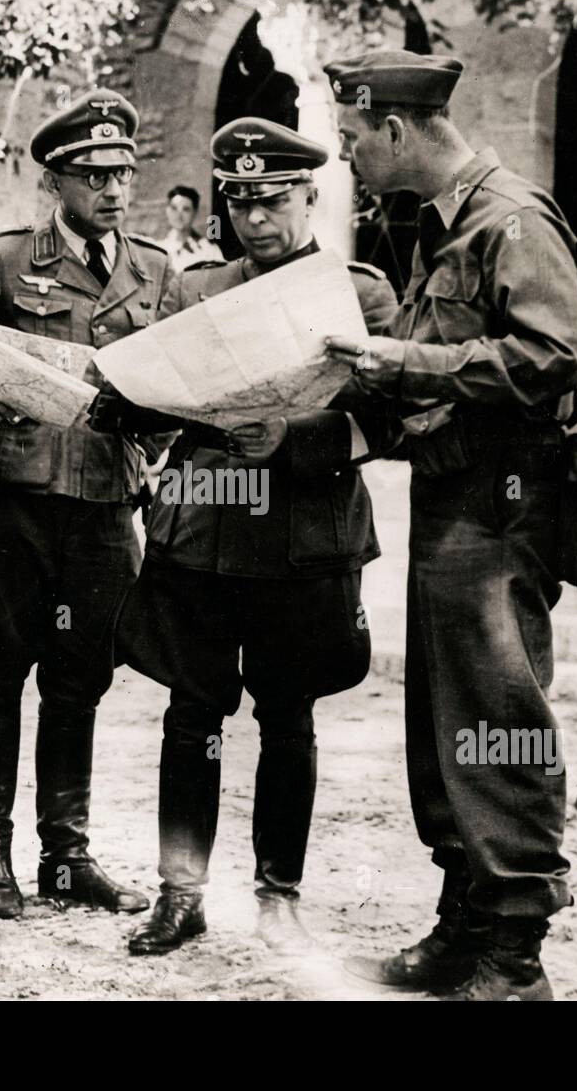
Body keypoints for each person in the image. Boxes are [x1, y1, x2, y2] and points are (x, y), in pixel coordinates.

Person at [90, 117, 400, 956]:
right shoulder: (197, 287)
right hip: (206, 534)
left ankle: (277, 893)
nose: (254, 219)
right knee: (192, 713)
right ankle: (179, 893)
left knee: (288, 713)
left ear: (309, 194)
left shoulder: (359, 292)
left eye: (272, 201)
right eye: (239, 203)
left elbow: (391, 419)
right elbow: (150, 395)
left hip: (303, 537)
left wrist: (293, 438)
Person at [323, 50, 577, 1000]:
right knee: (446, 729)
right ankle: (465, 927)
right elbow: (450, 374)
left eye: (354, 138)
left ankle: (516, 960)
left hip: (503, 513)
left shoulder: (509, 217)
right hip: (453, 509)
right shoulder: (446, 227)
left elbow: (553, 356)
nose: (347, 156)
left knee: (499, 725)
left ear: (396, 130)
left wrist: (400, 363)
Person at [0, 89, 171, 919]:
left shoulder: (156, 270)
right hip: (17, 502)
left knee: (80, 679)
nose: (114, 189)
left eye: (123, 172)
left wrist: (155, 443)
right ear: (55, 181)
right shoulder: (2, 259)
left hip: (104, 506)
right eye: (93, 175)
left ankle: (65, 854)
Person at [159, 184, 223, 271]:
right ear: (167, 210)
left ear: (195, 212)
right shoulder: (159, 249)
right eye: (174, 208)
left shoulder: (209, 249)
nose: (179, 215)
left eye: (186, 209)